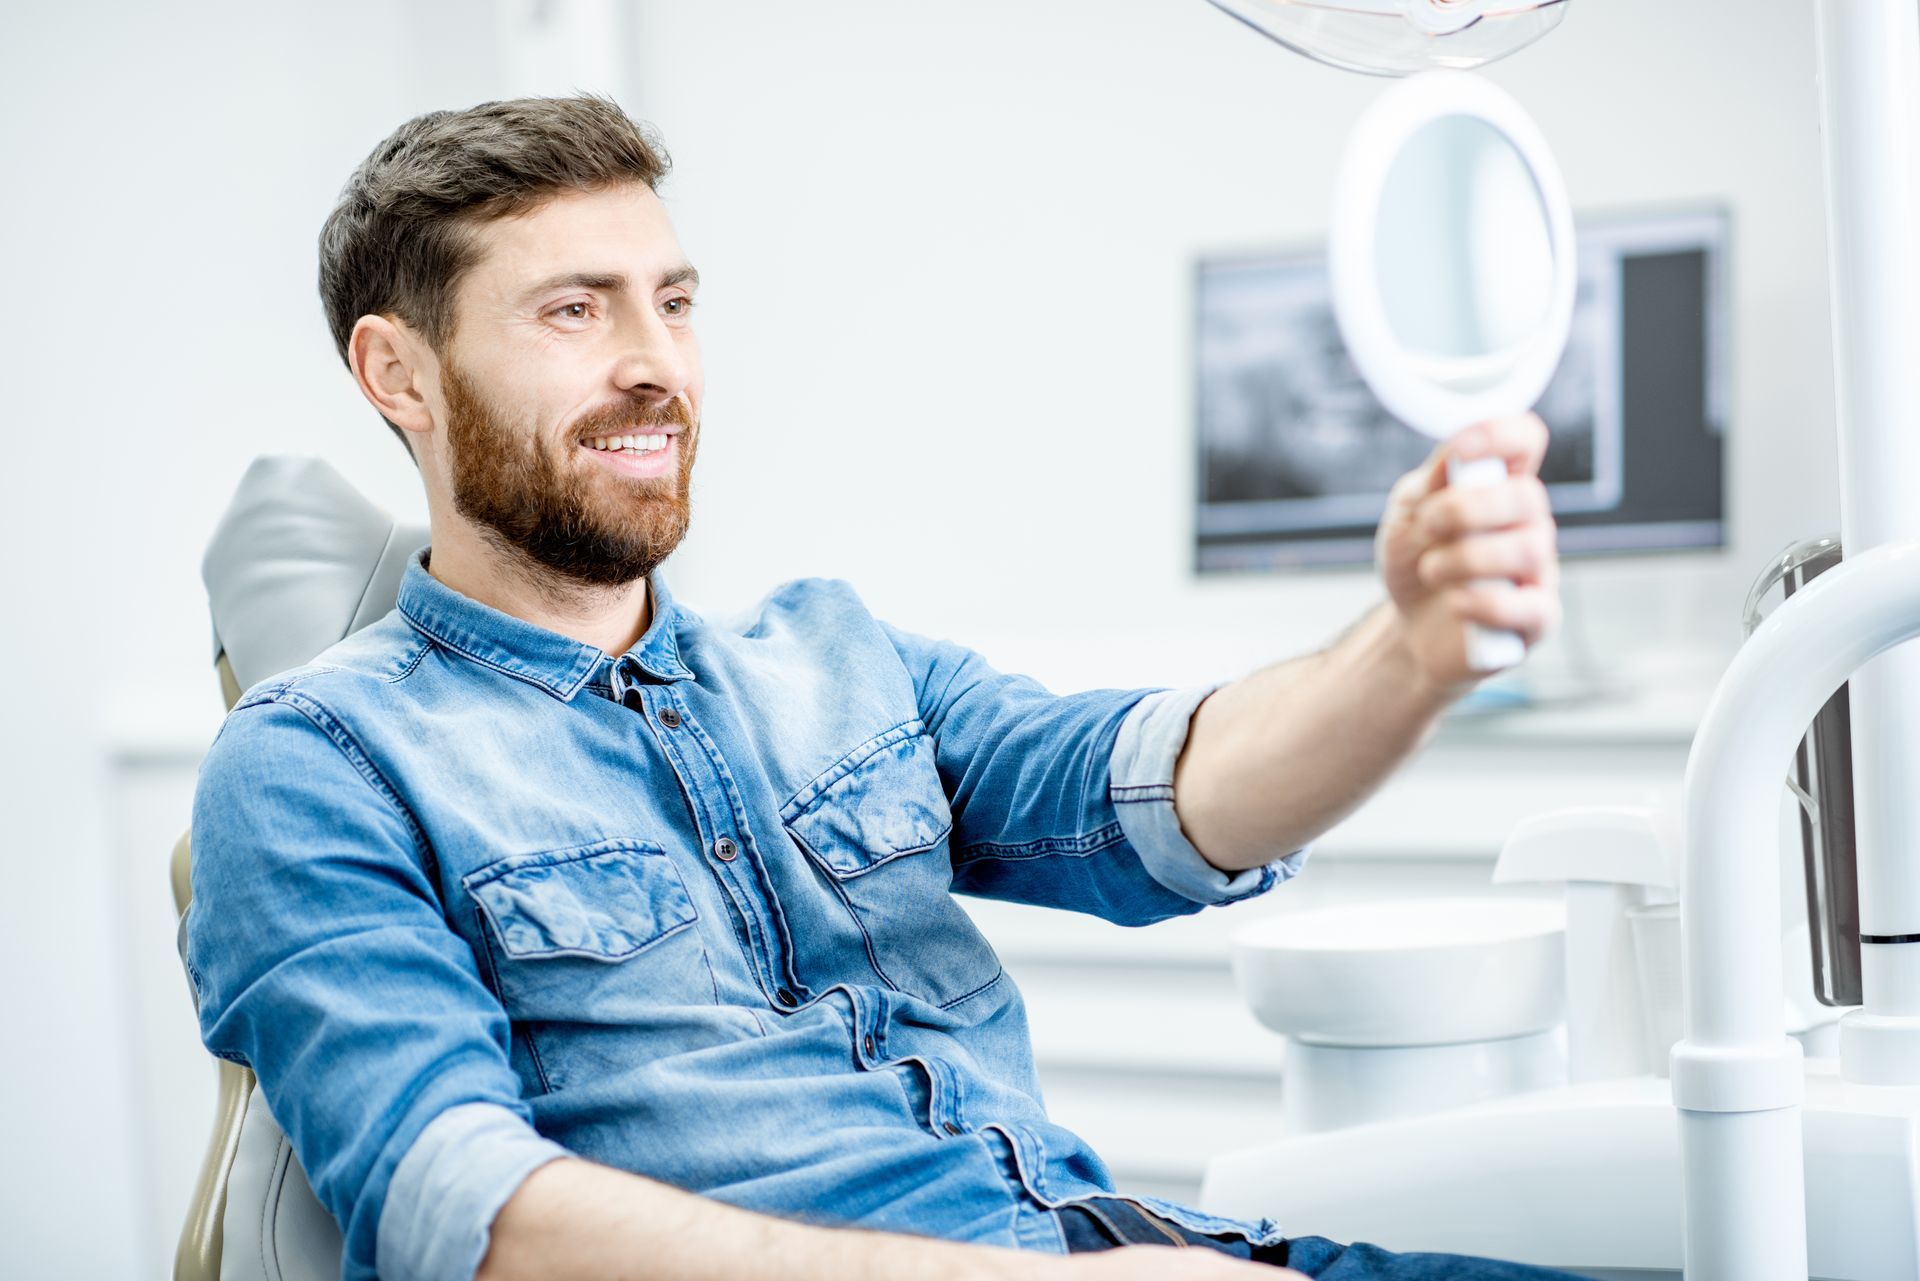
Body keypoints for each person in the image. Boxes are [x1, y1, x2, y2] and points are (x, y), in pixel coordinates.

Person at [187, 95, 1574, 1281]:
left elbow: (1161, 798)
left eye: (672, 302)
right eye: (573, 310)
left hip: (1141, 1238)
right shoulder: (317, 762)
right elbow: (477, 1217)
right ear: (398, 373)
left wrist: (1411, 651)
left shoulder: (833, 656)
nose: (657, 364)